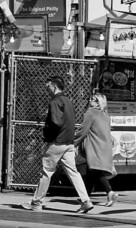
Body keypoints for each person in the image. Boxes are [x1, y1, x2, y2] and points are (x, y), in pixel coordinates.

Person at [29, 75, 94, 213]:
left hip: (57, 142)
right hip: (69, 142)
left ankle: (37, 201)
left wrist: (47, 133)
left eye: (48, 86)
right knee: (73, 172)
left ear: (54, 86)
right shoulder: (68, 101)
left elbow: (56, 122)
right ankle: (86, 200)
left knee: (46, 172)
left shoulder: (55, 101)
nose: (47, 89)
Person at [74, 91, 119, 207]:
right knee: (91, 171)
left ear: (98, 103)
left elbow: (83, 131)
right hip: (104, 147)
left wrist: (72, 142)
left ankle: (110, 192)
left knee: (95, 170)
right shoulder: (105, 115)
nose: (90, 101)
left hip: (94, 147)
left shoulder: (90, 113)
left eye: (93, 99)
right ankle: (86, 197)